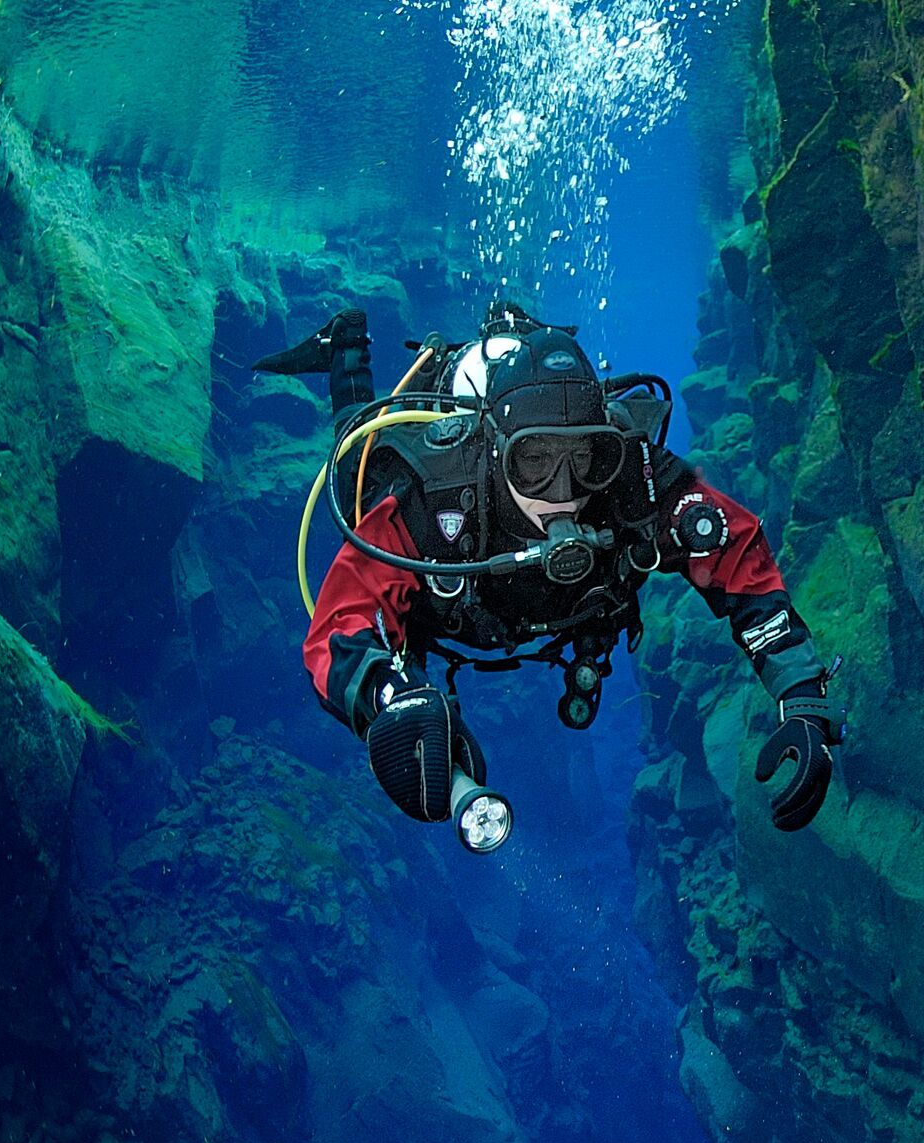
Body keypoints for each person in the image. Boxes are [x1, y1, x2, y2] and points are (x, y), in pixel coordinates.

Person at [274, 302, 839, 846]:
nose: (564, 493)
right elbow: (339, 625)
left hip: (545, 608)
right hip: (451, 610)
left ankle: (515, 331)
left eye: (584, 458)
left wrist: (800, 690)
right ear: (496, 452)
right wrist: (393, 698)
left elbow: (734, 548)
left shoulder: (629, 484)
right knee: (356, 462)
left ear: (605, 448)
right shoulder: (431, 503)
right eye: (535, 461)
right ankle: (346, 349)